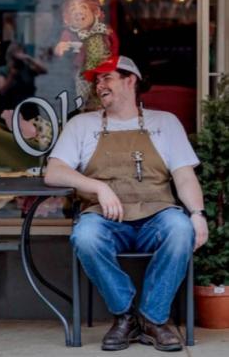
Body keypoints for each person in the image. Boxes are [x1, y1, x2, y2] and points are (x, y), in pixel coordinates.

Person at [45, 55, 208, 352]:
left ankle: (152, 317)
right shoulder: (82, 124)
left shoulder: (165, 123)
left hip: (157, 214)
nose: (99, 85)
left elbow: (184, 176)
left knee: (180, 229)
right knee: (85, 236)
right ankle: (125, 314)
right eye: (97, 80)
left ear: (130, 80)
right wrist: (98, 187)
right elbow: (53, 172)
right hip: (104, 218)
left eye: (107, 78)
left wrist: (197, 213)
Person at [0, 42, 47, 120]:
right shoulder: (3, 70)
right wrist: (11, 76)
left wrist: (29, 58)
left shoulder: (27, 68)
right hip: (12, 108)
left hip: (30, 108)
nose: (20, 54)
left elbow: (44, 70)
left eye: (21, 51)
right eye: (16, 52)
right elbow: (2, 90)